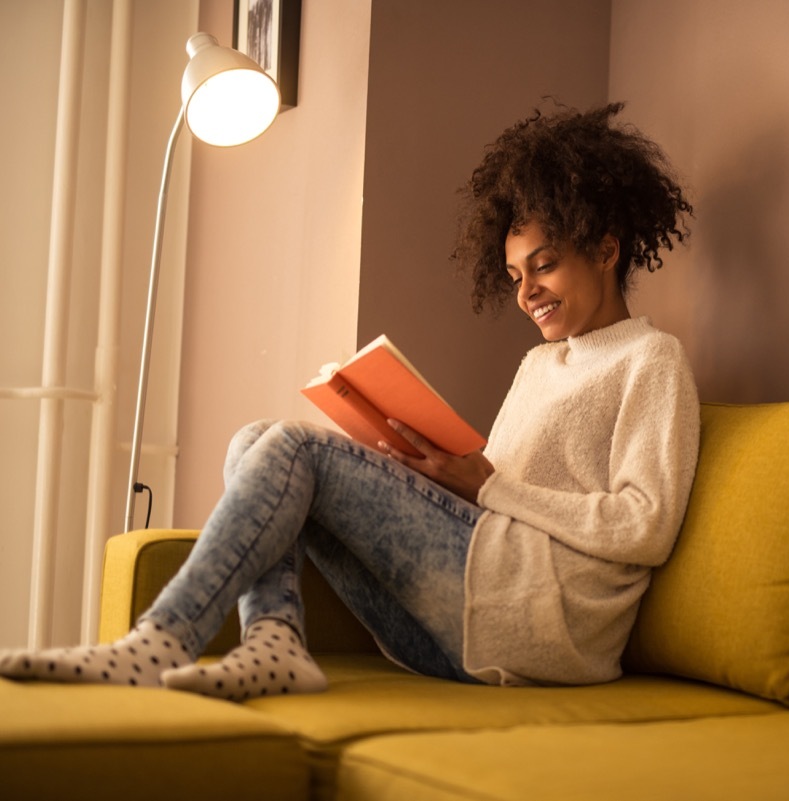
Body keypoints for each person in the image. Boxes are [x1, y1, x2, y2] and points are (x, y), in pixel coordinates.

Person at [0, 102, 699, 696]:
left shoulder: (651, 359)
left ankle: (159, 639)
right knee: (255, 441)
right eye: (515, 274)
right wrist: (422, 467)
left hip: (548, 626)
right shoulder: (541, 363)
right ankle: (274, 640)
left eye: (544, 265)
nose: (527, 292)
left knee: (293, 446)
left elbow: (646, 524)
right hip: (464, 622)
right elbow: (494, 496)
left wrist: (487, 487)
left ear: (607, 249)